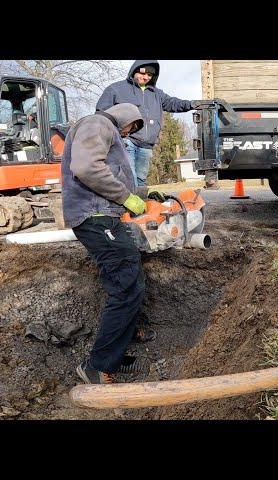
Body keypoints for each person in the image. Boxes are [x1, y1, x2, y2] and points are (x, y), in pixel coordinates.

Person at [61, 102, 155, 384]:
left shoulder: (101, 130)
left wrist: (146, 193)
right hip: (97, 217)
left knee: (129, 282)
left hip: (102, 217)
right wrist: (128, 199)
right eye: (130, 127)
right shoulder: (99, 124)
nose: (127, 135)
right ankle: (98, 367)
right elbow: (88, 168)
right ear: (123, 117)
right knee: (126, 286)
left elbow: (113, 178)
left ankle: (113, 356)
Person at [96, 60, 202, 187]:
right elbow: (101, 113)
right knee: (129, 177)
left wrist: (192, 104)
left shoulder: (157, 93)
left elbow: (173, 103)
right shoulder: (116, 89)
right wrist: (115, 132)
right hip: (126, 141)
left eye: (150, 75)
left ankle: (141, 205)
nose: (145, 77)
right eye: (143, 73)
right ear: (134, 70)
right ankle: (128, 205)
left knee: (141, 180)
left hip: (146, 145)